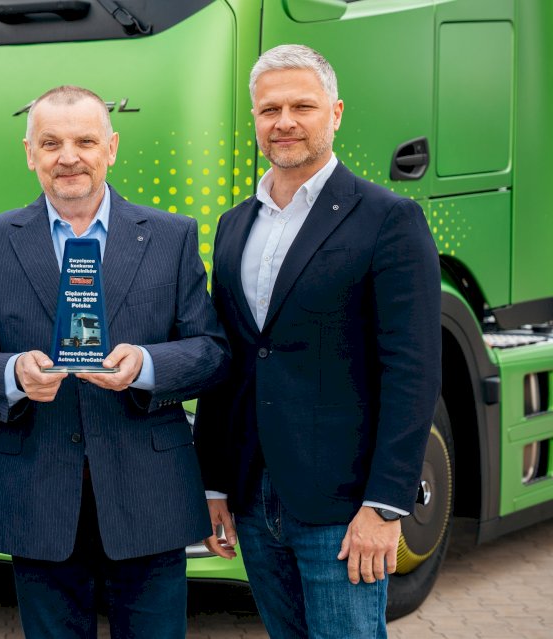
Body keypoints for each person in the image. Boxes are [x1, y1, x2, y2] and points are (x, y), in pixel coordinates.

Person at [0, 85, 229, 638]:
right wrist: (13, 375)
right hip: (38, 496)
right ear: (30, 153)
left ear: (111, 148)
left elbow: (211, 352)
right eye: (51, 143)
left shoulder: (171, 236)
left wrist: (145, 365)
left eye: (85, 142)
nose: (68, 157)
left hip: (149, 495)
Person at [194, 44, 441, 638]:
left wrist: (385, 505)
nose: (284, 122)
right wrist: (213, 482)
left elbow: (412, 371)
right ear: (254, 120)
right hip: (254, 497)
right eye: (269, 109)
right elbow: (229, 364)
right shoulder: (233, 225)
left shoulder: (388, 219)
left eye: (301, 106)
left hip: (344, 506)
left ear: (335, 112)